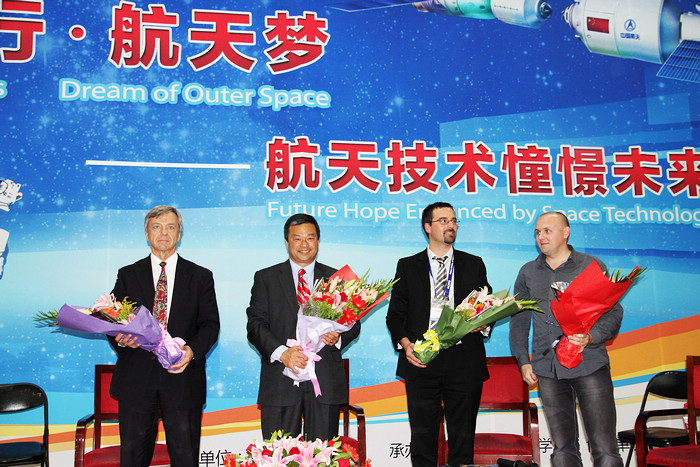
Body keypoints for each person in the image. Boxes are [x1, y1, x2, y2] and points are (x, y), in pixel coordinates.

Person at [509, 211, 624, 467]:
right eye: (537, 232)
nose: (541, 237)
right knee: (563, 449)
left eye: (547, 231)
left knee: (605, 448)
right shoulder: (528, 272)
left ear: (565, 232)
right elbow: (519, 320)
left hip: (589, 364)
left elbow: (613, 312)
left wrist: (591, 337)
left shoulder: (590, 266)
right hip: (548, 369)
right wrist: (523, 361)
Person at [110, 205, 220, 467]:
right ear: (147, 233)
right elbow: (113, 318)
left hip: (183, 378)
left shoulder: (200, 276)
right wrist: (119, 339)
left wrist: (191, 352)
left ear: (179, 234)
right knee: (133, 458)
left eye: (171, 227)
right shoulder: (128, 274)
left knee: (185, 457)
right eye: (156, 227)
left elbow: (210, 325)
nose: (163, 233)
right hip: (137, 379)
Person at [386, 201, 491, 467]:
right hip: (422, 357)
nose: (451, 225)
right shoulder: (408, 266)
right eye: (443, 220)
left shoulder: (473, 264)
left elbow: (487, 306)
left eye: (454, 220)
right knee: (423, 437)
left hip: (463, 358)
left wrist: (483, 323)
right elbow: (394, 315)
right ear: (427, 227)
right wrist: (407, 345)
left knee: (462, 437)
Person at [246, 213, 360, 441]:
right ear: (287, 241)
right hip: (280, 380)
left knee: (322, 452)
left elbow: (354, 324)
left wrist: (337, 336)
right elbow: (255, 325)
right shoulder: (266, 278)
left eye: (310, 238)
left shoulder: (337, 279)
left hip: (324, 380)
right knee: (279, 453)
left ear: (318, 240)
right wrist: (283, 354)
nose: (304, 244)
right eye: (297, 238)